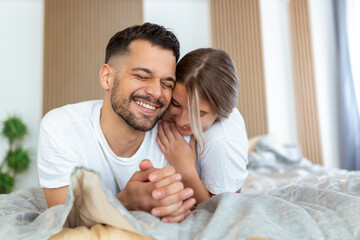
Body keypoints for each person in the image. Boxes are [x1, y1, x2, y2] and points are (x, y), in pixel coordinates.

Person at [37, 23, 196, 223]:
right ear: (107, 77)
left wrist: (174, 202)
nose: (156, 92)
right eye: (142, 76)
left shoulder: (176, 136)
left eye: (166, 84)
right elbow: (65, 216)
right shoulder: (61, 127)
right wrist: (125, 201)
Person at [156, 48, 249, 204]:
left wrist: (185, 170)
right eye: (176, 104)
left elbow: (223, 210)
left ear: (220, 111)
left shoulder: (221, 142)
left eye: (198, 114)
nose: (182, 121)